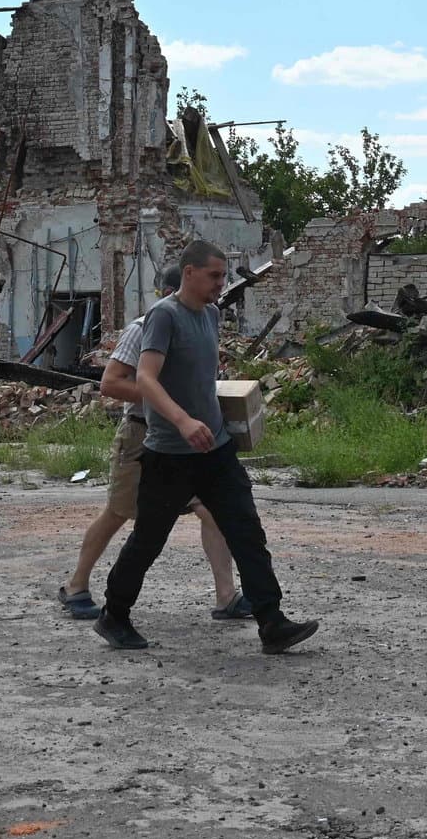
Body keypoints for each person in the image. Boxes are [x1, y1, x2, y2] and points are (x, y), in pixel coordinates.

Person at [97, 240, 319, 655]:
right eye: (215, 275)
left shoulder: (212, 315)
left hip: (214, 449)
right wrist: (181, 420)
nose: (222, 283)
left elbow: (199, 379)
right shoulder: (163, 317)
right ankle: (114, 614)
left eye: (223, 275)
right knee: (149, 539)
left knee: (246, 531)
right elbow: (145, 378)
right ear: (189, 273)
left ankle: (272, 621)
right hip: (169, 453)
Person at [57, 264, 254, 623]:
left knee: (211, 511)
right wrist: (169, 403)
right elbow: (111, 384)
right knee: (119, 513)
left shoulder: (202, 322)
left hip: (188, 443)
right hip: (143, 437)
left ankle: (227, 597)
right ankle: (76, 586)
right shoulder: (144, 327)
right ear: (172, 292)